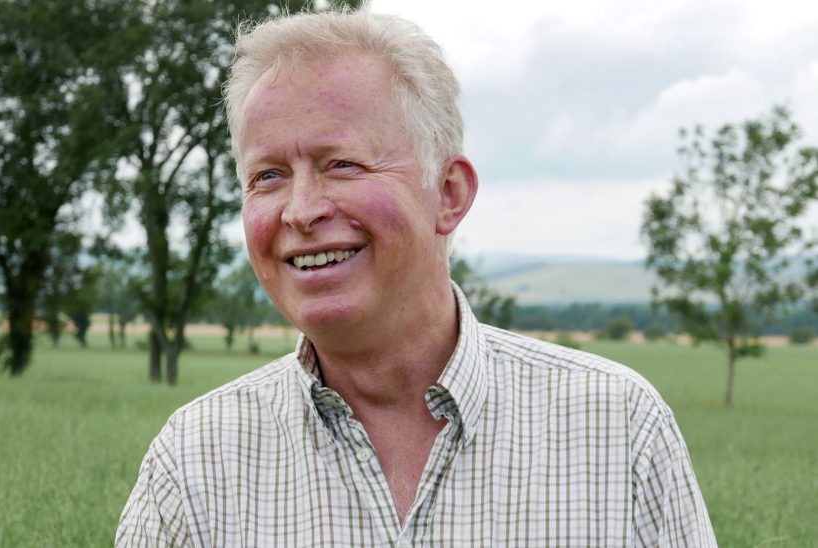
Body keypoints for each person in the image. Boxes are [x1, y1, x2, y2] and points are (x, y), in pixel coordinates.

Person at [116, 9, 717, 547]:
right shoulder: (194, 462)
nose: (300, 210)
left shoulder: (616, 429)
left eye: (342, 164)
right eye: (268, 176)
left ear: (448, 194)